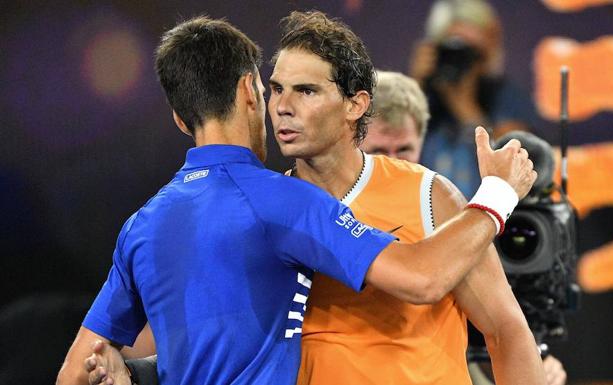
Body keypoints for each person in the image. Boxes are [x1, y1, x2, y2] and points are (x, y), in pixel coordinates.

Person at [76, 12, 540, 385]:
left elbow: (504, 331)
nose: (282, 105)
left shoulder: (429, 196)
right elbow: (206, 344)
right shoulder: (261, 210)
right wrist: (137, 373)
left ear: (355, 105)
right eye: (276, 88)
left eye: (306, 90)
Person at [362, 71, 567, 385]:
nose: (394, 163)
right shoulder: (326, 210)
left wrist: (537, 359)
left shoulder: (447, 211)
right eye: (379, 152)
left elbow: (497, 324)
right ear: (355, 142)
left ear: (422, 141)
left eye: (403, 150)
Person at [409, 0, 539, 197]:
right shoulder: (421, 98)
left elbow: (517, 158)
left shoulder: (504, 95)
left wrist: (463, 105)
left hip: (490, 218)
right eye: (451, 51)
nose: (460, 62)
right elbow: (383, 149)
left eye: (469, 53)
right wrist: (414, 84)